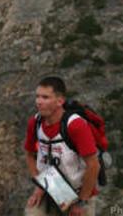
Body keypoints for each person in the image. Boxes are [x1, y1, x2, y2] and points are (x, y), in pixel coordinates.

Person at [24, 76, 100, 216]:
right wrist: (40, 185)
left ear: (60, 101)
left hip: (80, 192)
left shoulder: (75, 125)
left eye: (45, 97)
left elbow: (93, 165)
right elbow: (29, 155)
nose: (39, 101)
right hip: (51, 187)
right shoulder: (35, 122)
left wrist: (81, 201)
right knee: (32, 212)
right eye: (37, 96)